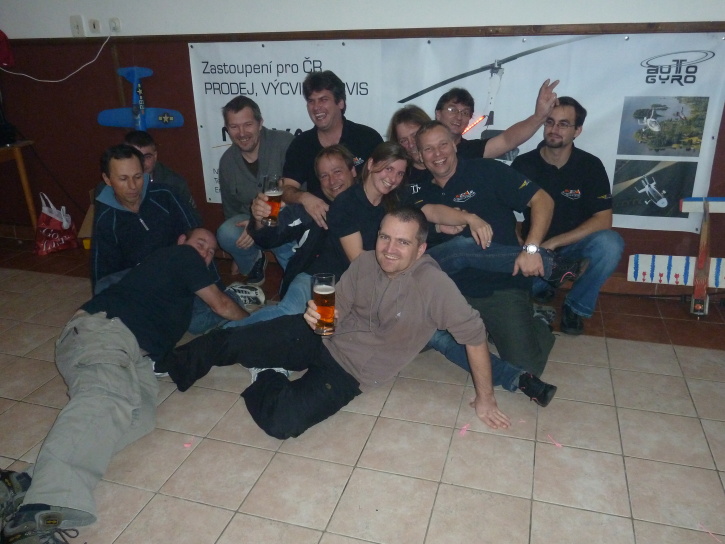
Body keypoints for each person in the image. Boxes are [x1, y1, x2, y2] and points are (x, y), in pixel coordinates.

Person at [159, 208, 557, 440]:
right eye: (385, 237)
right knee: (237, 338)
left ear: (421, 248)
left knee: (282, 423)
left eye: (402, 242)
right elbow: (338, 308)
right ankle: (173, 364)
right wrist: (319, 315)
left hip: (350, 373)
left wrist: (485, 398)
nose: (389, 249)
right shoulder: (365, 261)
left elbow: (474, 336)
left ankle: (268, 374)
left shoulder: (433, 286)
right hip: (320, 337)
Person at [1, 228, 246, 543]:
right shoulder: (181, 255)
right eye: (201, 244)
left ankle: (23, 482)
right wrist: (257, 323)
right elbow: (222, 305)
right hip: (104, 332)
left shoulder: (174, 285)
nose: (206, 253)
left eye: (212, 252)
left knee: (140, 417)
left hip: (134, 356)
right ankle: (37, 514)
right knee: (106, 398)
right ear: (181, 241)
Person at [413, 121, 556, 376]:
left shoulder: (487, 170)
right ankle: (481, 327)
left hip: (500, 286)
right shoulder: (419, 192)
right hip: (450, 291)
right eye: (428, 149)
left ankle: (537, 322)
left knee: (527, 367)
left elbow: (542, 200)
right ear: (420, 156)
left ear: (454, 145)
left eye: (443, 145)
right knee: (409, 342)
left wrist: (532, 249)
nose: (437, 154)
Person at [91, 144, 259, 332]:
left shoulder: (165, 195)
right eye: (123, 179)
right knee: (112, 295)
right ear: (107, 179)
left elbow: (199, 238)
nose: (132, 186)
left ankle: (233, 296)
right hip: (147, 285)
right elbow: (102, 272)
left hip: (183, 276)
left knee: (196, 322)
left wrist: (217, 291)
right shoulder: (106, 219)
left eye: (137, 176)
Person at [512, 96, 624, 335]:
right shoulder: (523, 164)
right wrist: (520, 242)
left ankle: (576, 307)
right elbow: (501, 210)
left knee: (610, 244)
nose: (554, 129)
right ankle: (545, 283)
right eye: (550, 122)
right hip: (534, 250)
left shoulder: (590, 166)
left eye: (563, 124)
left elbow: (604, 220)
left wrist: (553, 243)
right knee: (517, 286)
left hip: (573, 248)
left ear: (577, 131)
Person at [227, 144, 358, 327]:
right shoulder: (313, 206)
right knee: (289, 314)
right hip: (314, 278)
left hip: (354, 285)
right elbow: (269, 239)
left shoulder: (369, 203)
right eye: (324, 176)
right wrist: (259, 219)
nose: (332, 181)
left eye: (337, 171)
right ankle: (224, 335)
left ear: (353, 171)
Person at [281, 70, 382, 229]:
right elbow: (286, 189)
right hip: (320, 225)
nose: (316, 107)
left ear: (340, 103)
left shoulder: (367, 138)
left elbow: (385, 183)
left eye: (323, 99)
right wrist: (305, 198)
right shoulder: (301, 145)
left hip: (365, 222)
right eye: (311, 101)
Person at [216, 96, 295, 285]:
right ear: (227, 129)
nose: (242, 133)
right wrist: (238, 252)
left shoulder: (285, 143)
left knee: (273, 227)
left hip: (287, 219)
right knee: (226, 233)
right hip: (250, 221)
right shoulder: (226, 162)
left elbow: (302, 192)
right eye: (234, 127)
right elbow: (231, 209)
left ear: (260, 123)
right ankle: (253, 261)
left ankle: (295, 275)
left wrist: (258, 224)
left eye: (248, 124)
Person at [434, 80, 559, 160]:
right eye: (452, 110)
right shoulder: (423, 148)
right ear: (438, 114)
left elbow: (508, 140)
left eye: (465, 112)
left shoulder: (471, 150)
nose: (459, 116)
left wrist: (539, 116)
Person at [123, 130, 201, 223]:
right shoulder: (113, 184)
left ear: (155, 156)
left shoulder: (173, 184)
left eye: (147, 157)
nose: (142, 163)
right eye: (136, 157)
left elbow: (193, 221)